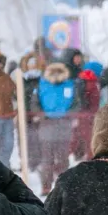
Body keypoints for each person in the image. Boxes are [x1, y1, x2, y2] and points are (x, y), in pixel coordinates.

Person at [34, 61, 78, 191]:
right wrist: (42, 115)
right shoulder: (42, 85)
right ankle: (46, 186)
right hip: (47, 125)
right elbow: (34, 103)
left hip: (64, 125)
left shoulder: (69, 85)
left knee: (63, 158)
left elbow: (76, 103)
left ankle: (64, 186)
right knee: (47, 158)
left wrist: (69, 114)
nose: (56, 75)